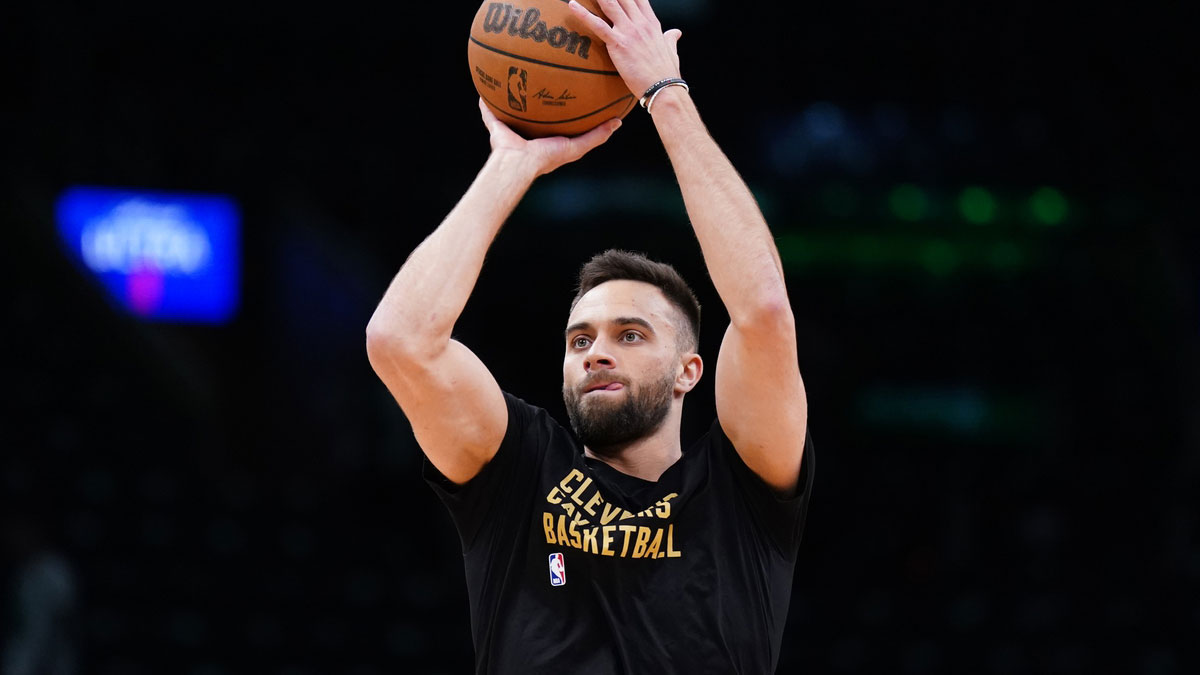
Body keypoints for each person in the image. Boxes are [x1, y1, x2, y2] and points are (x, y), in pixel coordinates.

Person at [366, 0, 813, 671]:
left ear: (691, 369)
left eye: (630, 334)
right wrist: (511, 163)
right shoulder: (520, 476)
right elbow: (401, 340)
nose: (596, 350)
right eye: (579, 340)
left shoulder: (738, 490)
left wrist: (664, 95)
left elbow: (765, 313)